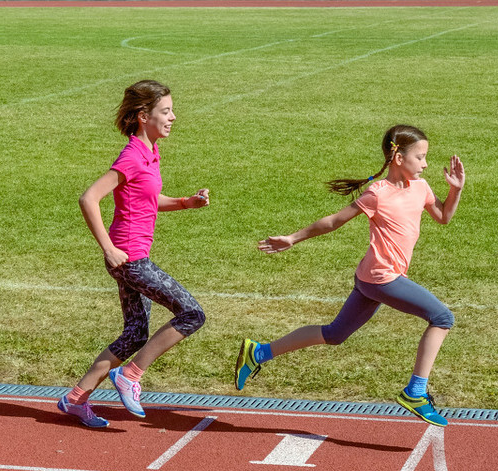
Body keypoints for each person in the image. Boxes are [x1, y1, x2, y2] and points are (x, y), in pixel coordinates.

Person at [237, 125, 464, 427]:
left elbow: (444, 217)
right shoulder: (377, 195)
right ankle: (415, 392)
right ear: (398, 157)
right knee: (442, 318)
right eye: (420, 157)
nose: (424, 164)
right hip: (381, 278)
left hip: (370, 278)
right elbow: (333, 221)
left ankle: (259, 352)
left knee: (334, 334)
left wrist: (455, 189)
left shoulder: (420, 188)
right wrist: (292, 238)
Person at [58, 79, 209, 429]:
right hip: (130, 258)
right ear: (144, 116)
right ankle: (130, 376)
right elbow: (89, 198)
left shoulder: (150, 152)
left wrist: (188, 202)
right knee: (191, 314)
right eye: (165, 111)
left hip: (131, 257)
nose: (173, 117)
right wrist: (109, 249)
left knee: (135, 334)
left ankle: (76, 398)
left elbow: (148, 199)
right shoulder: (132, 155)